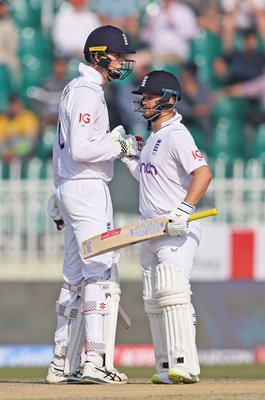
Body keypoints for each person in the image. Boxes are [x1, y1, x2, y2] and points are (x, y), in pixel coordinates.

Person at [46, 25, 143, 384]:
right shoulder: (86, 91)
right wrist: (120, 147)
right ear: (98, 55)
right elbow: (82, 149)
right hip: (86, 189)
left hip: (72, 187)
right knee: (97, 272)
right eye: (117, 56)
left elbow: (69, 150)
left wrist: (59, 192)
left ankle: (60, 362)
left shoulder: (78, 88)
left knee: (73, 278)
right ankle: (95, 360)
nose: (122, 62)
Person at [122, 70, 212, 384]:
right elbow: (148, 180)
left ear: (170, 100)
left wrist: (184, 210)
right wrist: (130, 159)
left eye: (150, 97)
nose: (144, 102)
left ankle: (186, 364)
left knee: (173, 291)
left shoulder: (177, 134)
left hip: (174, 228)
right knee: (153, 297)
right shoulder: (154, 138)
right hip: (149, 228)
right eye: (143, 97)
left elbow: (203, 174)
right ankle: (165, 364)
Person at [0, 95, 39, 162]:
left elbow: (30, 142)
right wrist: (5, 152)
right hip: (5, 153)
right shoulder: (3, 119)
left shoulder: (29, 117)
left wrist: (14, 152)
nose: (15, 107)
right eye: (12, 104)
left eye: (17, 104)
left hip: (23, 154)